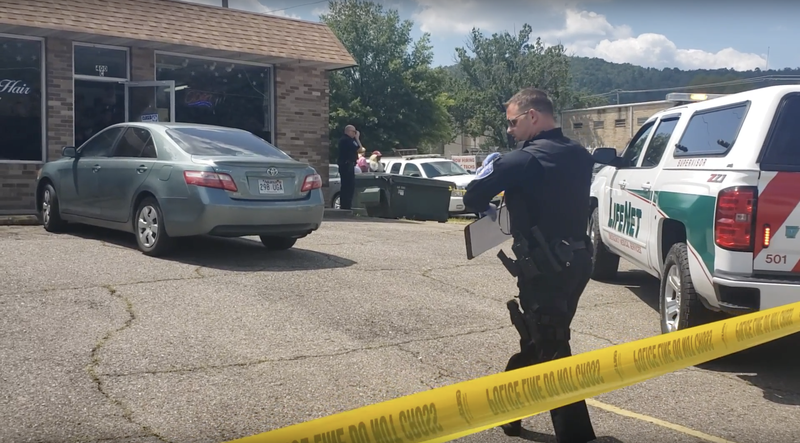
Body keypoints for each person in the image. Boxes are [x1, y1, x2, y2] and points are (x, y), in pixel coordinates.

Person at [462, 87, 597, 442]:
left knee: (552, 349)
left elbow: (472, 196)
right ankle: (507, 409)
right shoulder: (580, 154)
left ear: (532, 116)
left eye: (512, 122)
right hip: (578, 262)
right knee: (542, 340)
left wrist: (491, 171)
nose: (509, 130)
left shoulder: (524, 160)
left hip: (545, 268)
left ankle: (576, 436)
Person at [337, 125, 362, 209]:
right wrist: (357, 138)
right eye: (353, 132)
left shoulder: (349, 140)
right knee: (348, 185)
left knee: (349, 185)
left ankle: (346, 205)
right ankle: (345, 206)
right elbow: (360, 149)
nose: (355, 134)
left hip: (349, 164)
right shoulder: (346, 140)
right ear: (348, 131)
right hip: (346, 165)